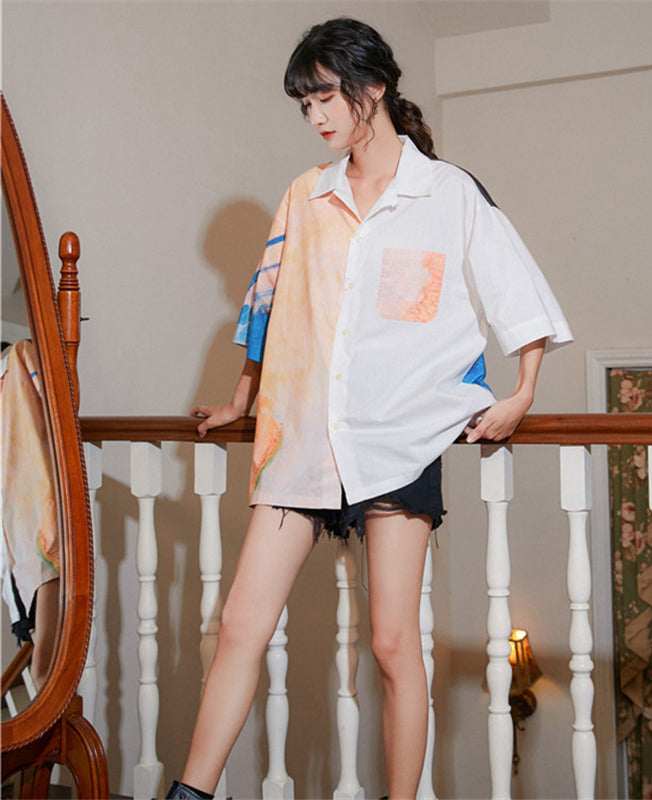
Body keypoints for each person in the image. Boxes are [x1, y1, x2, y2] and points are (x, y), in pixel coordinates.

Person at [167, 17, 572, 800]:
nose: (315, 116)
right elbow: (270, 304)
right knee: (240, 627)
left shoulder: (447, 193)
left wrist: (522, 394)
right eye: (304, 103)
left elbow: (517, 292)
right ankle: (190, 794)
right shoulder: (306, 195)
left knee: (391, 645)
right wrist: (242, 397)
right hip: (302, 438)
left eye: (325, 97)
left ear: (374, 88)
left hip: (400, 440)